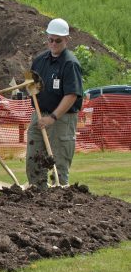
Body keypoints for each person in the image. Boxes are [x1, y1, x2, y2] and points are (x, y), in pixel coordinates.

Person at [26, 18, 84, 188]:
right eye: (50, 39)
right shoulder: (39, 60)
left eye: (57, 40)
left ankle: (59, 206)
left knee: (58, 166)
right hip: (39, 115)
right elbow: (31, 86)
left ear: (66, 39)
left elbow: (72, 95)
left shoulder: (70, 63)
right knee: (33, 162)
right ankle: (38, 199)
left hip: (61, 120)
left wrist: (52, 117)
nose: (53, 44)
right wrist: (28, 87)